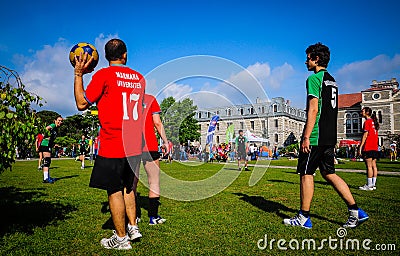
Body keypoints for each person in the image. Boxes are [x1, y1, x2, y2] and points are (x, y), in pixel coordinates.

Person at [283, 43, 368, 229]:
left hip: (316, 136)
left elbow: (313, 110)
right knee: (329, 173)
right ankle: (356, 211)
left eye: (308, 57)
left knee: (306, 173)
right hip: (329, 136)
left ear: (316, 59)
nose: (306, 61)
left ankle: (304, 217)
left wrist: (305, 137)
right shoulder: (332, 80)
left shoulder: (314, 79)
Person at [73, 38, 145, 250]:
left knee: (114, 190)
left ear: (105, 57)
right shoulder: (139, 78)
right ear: (125, 55)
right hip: (133, 143)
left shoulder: (103, 75)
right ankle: (133, 227)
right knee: (129, 188)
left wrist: (79, 75)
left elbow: (81, 103)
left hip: (113, 142)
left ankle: (121, 239)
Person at [141, 94, 169, 225]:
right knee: (154, 181)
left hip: (129, 144)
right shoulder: (150, 99)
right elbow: (157, 122)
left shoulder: (125, 98)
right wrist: (165, 141)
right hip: (149, 145)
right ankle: (153, 217)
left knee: (131, 183)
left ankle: (133, 217)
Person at [358, 107, 379, 191]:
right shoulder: (374, 122)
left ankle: (369, 185)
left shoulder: (367, 122)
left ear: (367, 112)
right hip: (375, 147)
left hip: (368, 146)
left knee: (369, 166)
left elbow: (365, 135)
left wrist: (360, 147)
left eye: (362, 111)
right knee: (374, 166)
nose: (361, 112)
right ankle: (373, 184)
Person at [38, 116, 63, 183]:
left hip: (48, 145)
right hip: (45, 144)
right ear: (55, 120)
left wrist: (54, 144)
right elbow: (46, 129)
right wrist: (45, 136)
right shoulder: (53, 125)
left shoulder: (56, 129)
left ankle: (47, 177)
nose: (60, 122)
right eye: (59, 120)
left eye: (61, 121)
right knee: (47, 161)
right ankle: (46, 178)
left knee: (47, 161)